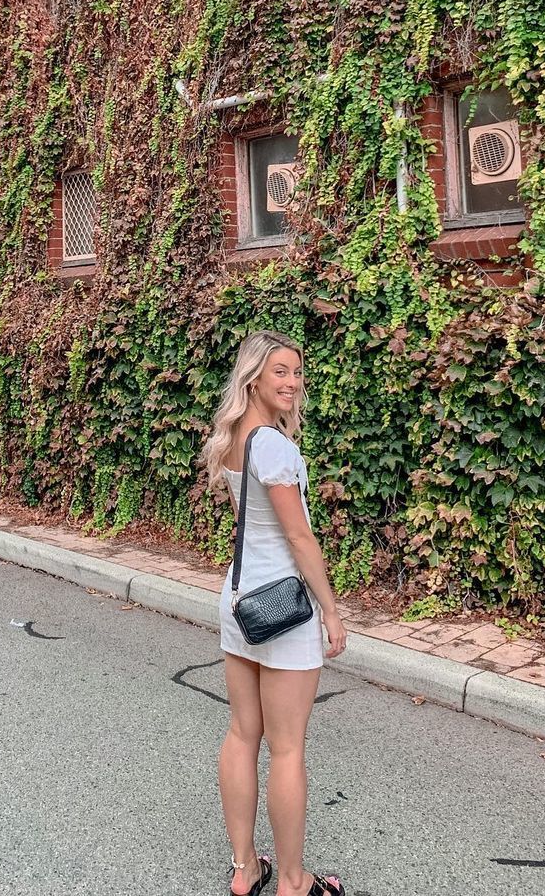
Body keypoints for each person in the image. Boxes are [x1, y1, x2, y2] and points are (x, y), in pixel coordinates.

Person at [201, 330, 348, 896]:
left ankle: (245, 870)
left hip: (240, 602)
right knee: (286, 748)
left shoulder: (234, 438)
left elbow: (249, 525)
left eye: (297, 372)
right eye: (280, 371)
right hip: (285, 608)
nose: (292, 382)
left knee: (243, 734)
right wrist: (330, 611)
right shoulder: (274, 447)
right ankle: (292, 881)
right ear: (253, 377)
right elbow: (298, 536)